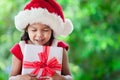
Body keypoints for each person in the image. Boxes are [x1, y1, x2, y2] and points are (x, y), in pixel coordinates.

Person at [9, 0, 73, 80]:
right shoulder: (19, 49)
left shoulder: (59, 47)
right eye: (34, 30)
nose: (39, 35)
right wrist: (21, 78)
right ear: (26, 29)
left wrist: (61, 78)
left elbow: (69, 77)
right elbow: (11, 78)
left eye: (45, 30)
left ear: (52, 30)